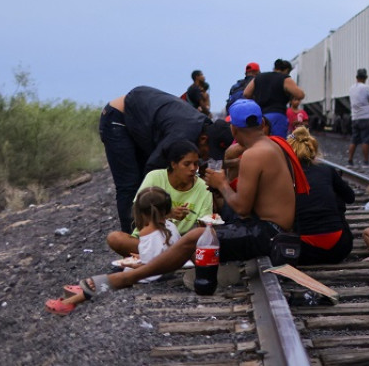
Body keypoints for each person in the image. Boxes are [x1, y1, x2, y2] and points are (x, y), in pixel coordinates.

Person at [70, 99, 305, 302]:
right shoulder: (272, 145)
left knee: (196, 237)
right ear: (260, 123)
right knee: (198, 239)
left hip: (268, 232)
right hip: (274, 229)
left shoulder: (254, 154)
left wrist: (221, 184)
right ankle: (136, 274)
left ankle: (126, 278)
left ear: (234, 128)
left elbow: (242, 208)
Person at [98, 86, 234, 232]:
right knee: (130, 185)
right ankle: (134, 239)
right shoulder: (183, 133)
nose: (207, 157)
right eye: (209, 152)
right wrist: (168, 209)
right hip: (118, 118)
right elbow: (154, 170)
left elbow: (197, 168)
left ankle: (154, 232)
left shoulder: (202, 127)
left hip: (142, 123)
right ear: (203, 139)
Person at [46, 187, 180, 314]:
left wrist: (133, 264)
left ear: (141, 212)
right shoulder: (171, 226)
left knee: (107, 282)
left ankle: (70, 302)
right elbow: (162, 254)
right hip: (166, 271)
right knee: (114, 274)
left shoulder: (147, 233)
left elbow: (148, 267)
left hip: (149, 277)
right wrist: (140, 257)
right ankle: (84, 288)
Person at [106, 139, 213, 256]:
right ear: (173, 164)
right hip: (147, 240)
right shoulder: (155, 177)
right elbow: (139, 217)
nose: (193, 168)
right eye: (187, 164)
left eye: (196, 164)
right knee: (115, 238)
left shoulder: (203, 188)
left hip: (178, 244)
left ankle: (150, 259)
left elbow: (205, 227)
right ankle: (159, 259)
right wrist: (168, 214)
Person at [287, 126, 355, 265]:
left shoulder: (287, 174)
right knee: (336, 193)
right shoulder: (326, 170)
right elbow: (350, 197)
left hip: (305, 252)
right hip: (340, 248)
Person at [244, 59, 305, 138]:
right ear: (286, 70)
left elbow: (246, 93)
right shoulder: (284, 78)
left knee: (262, 142)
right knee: (278, 143)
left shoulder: (259, 77)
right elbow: (300, 95)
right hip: (278, 116)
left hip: (262, 117)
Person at [347, 68, 369, 165]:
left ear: (356, 77)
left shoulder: (351, 88)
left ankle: (350, 160)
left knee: (354, 140)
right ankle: (366, 162)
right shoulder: (366, 87)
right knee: (366, 140)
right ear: (366, 77)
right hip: (365, 117)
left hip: (355, 117)